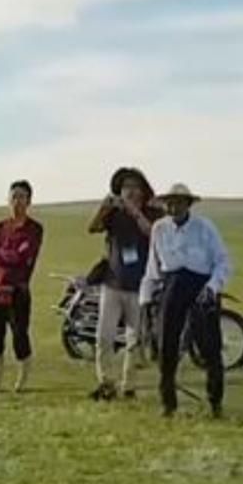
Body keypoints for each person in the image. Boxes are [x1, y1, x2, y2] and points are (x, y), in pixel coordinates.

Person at [141, 183, 232, 419]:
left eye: (179, 202)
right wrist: (146, 299)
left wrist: (212, 288)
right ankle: (168, 403)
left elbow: (223, 262)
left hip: (201, 286)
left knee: (209, 348)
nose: (173, 207)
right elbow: (153, 268)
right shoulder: (159, 229)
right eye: (169, 202)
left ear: (188, 204)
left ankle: (215, 402)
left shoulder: (204, 228)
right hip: (172, 285)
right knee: (166, 346)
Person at [85, 166, 157, 399]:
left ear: (144, 191)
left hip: (140, 286)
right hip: (113, 284)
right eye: (126, 187)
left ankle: (129, 386)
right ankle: (106, 383)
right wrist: (103, 208)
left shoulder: (153, 212)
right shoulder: (114, 215)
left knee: (134, 340)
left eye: (135, 187)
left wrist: (135, 211)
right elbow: (92, 228)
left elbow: (153, 234)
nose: (130, 191)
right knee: (103, 337)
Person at [0, 179, 44, 391]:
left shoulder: (35, 229)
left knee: (20, 335)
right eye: (13, 197)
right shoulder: (0, 227)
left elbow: (26, 257)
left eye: (22, 197)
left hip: (18, 289)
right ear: (8, 200)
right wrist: (10, 254)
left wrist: (5, 255)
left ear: (29, 201)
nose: (17, 201)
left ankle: (22, 380)